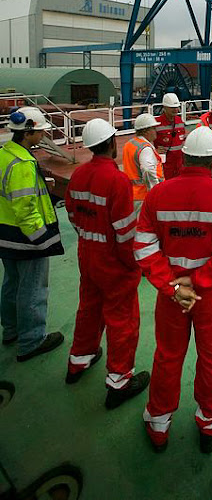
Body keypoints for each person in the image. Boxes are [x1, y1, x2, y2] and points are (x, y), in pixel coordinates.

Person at [135, 126, 212, 454]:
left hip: (171, 295)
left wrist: (172, 285)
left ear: (183, 158)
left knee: (168, 356)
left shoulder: (158, 195)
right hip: (211, 295)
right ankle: (209, 422)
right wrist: (197, 281)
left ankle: (158, 422)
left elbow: (143, 246)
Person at [65, 119, 150, 407]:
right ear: (112, 143)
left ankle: (79, 360)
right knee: (122, 320)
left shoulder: (78, 175)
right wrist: (132, 265)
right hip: (113, 262)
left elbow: (73, 216)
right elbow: (124, 232)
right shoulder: (117, 180)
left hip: (87, 255)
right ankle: (119, 382)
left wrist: (89, 237)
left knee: (88, 308)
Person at [0, 107, 64, 362]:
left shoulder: (5, 154)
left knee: (11, 283)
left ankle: (11, 330)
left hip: (5, 233)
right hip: (25, 238)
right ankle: (31, 341)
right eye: (39, 132)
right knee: (33, 288)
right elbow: (25, 207)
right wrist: (41, 239)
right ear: (27, 133)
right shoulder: (23, 164)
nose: (43, 135)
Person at [123, 113, 164, 212]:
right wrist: (154, 192)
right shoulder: (145, 148)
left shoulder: (130, 144)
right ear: (146, 131)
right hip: (143, 196)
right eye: (153, 128)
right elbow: (148, 169)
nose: (156, 131)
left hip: (132, 194)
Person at [154, 93, 186, 179]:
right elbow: (147, 144)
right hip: (164, 167)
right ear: (164, 107)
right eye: (172, 107)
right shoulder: (156, 123)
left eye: (176, 107)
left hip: (179, 166)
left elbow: (183, 141)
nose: (175, 110)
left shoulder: (180, 122)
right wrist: (154, 151)